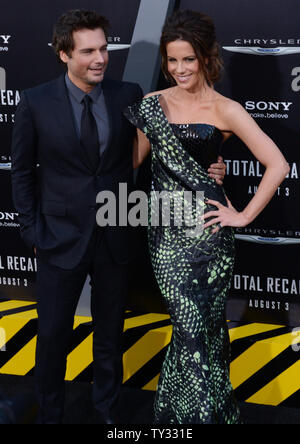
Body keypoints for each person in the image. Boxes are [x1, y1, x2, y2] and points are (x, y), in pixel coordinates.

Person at [10, 9, 226, 424]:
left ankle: (107, 413)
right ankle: (50, 414)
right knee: (52, 337)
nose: (100, 58)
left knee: (109, 336)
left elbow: (184, 128)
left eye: (104, 49)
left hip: (116, 234)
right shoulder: (35, 102)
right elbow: (21, 171)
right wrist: (31, 229)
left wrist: (211, 164)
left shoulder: (128, 94)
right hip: (57, 238)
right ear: (63, 54)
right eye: (88, 51)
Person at [124, 9, 290, 424]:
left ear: (205, 58)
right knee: (190, 331)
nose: (178, 69)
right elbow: (131, 162)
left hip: (210, 237)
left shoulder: (226, 109)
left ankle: (195, 418)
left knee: (205, 333)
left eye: (188, 59)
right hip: (164, 236)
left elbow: (278, 165)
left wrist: (243, 215)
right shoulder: (150, 105)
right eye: (171, 60)